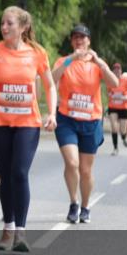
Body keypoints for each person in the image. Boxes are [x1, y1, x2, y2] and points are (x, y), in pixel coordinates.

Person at [0, 7, 57, 252]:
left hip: (28, 123)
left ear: (22, 27)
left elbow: (50, 85)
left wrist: (52, 113)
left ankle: (21, 232)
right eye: (2, 23)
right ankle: (7, 227)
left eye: (9, 23)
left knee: (20, 173)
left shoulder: (37, 53)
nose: (4, 27)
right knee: (6, 175)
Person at [51, 24, 118, 225]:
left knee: (86, 171)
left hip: (91, 121)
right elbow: (51, 79)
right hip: (66, 120)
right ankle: (73, 202)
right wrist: (70, 60)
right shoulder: (64, 61)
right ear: (72, 42)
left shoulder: (98, 64)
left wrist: (99, 63)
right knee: (72, 163)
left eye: (83, 37)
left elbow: (114, 84)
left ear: (89, 41)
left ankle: (86, 206)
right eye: (75, 38)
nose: (79, 40)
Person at [105, 62, 127, 155]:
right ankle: (115, 148)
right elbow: (108, 92)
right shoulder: (110, 80)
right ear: (113, 71)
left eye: (118, 69)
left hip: (124, 107)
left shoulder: (125, 80)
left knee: (122, 130)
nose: (117, 71)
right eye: (115, 69)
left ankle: (124, 137)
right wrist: (111, 95)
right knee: (113, 127)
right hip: (113, 106)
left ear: (121, 71)